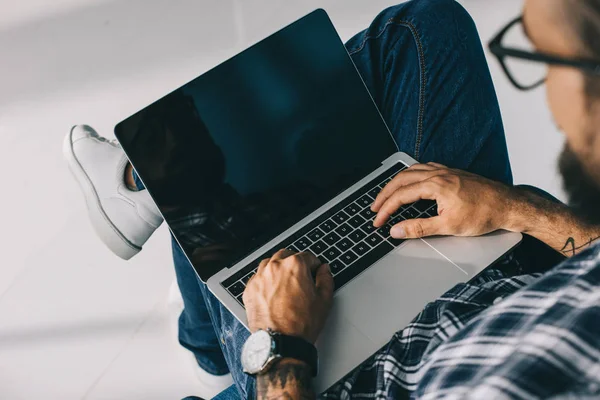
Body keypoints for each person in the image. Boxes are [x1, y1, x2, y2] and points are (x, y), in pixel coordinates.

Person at [63, 0, 600, 398]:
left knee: (235, 227)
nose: (552, 101)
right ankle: (165, 196)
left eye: (547, 58)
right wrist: (516, 208)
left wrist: (281, 346)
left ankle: (156, 194)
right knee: (424, 29)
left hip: (344, 374)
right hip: (502, 273)